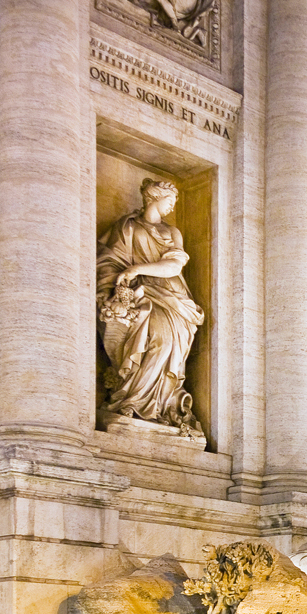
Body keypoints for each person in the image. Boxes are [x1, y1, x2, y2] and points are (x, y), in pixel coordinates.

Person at [96, 179, 204, 431]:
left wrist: (136, 269)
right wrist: (117, 283)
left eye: (176, 201)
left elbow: (175, 266)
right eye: (170, 200)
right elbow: (108, 260)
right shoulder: (127, 227)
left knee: (170, 344)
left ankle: (161, 406)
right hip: (140, 295)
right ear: (154, 197)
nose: (172, 205)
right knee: (156, 338)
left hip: (171, 296)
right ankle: (133, 400)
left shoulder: (172, 232)